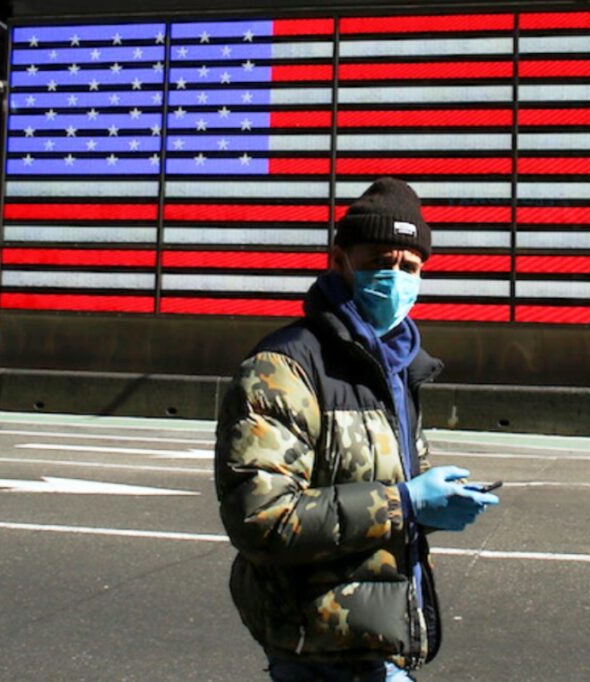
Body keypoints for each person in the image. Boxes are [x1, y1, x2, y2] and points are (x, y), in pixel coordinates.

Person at [214, 177, 500, 681]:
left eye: (410, 267)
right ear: (339, 260)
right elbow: (262, 519)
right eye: (379, 262)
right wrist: (405, 503)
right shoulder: (281, 367)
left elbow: (386, 482)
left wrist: (438, 502)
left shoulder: (397, 367)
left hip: (373, 642)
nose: (396, 278)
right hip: (317, 648)